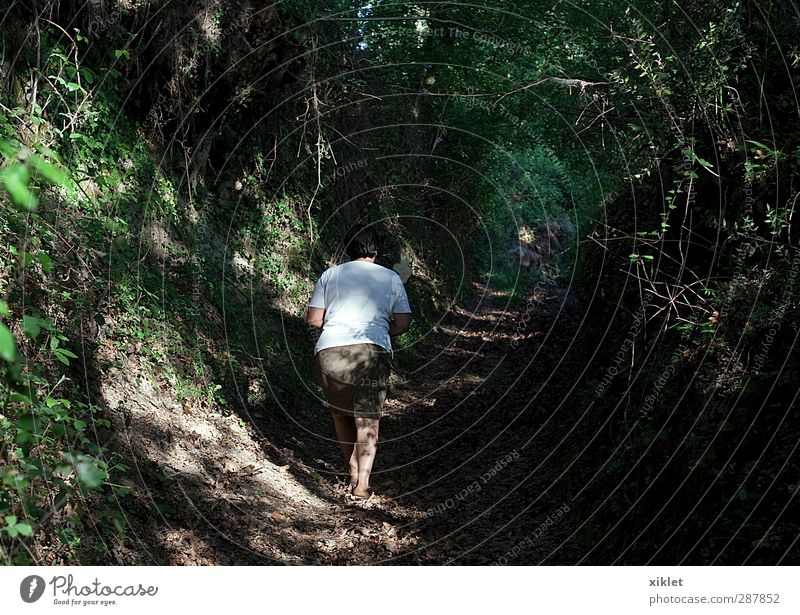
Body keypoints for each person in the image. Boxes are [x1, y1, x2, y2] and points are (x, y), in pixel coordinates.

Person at [306, 224, 412, 500]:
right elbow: (403, 323)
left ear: (347, 248)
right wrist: (378, 329)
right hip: (371, 351)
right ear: (376, 249)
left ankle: (352, 469)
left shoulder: (330, 275)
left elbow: (314, 319)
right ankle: (362, 482)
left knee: (340, 414)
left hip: (329, 351)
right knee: (368, 418)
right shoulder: (390, 278)